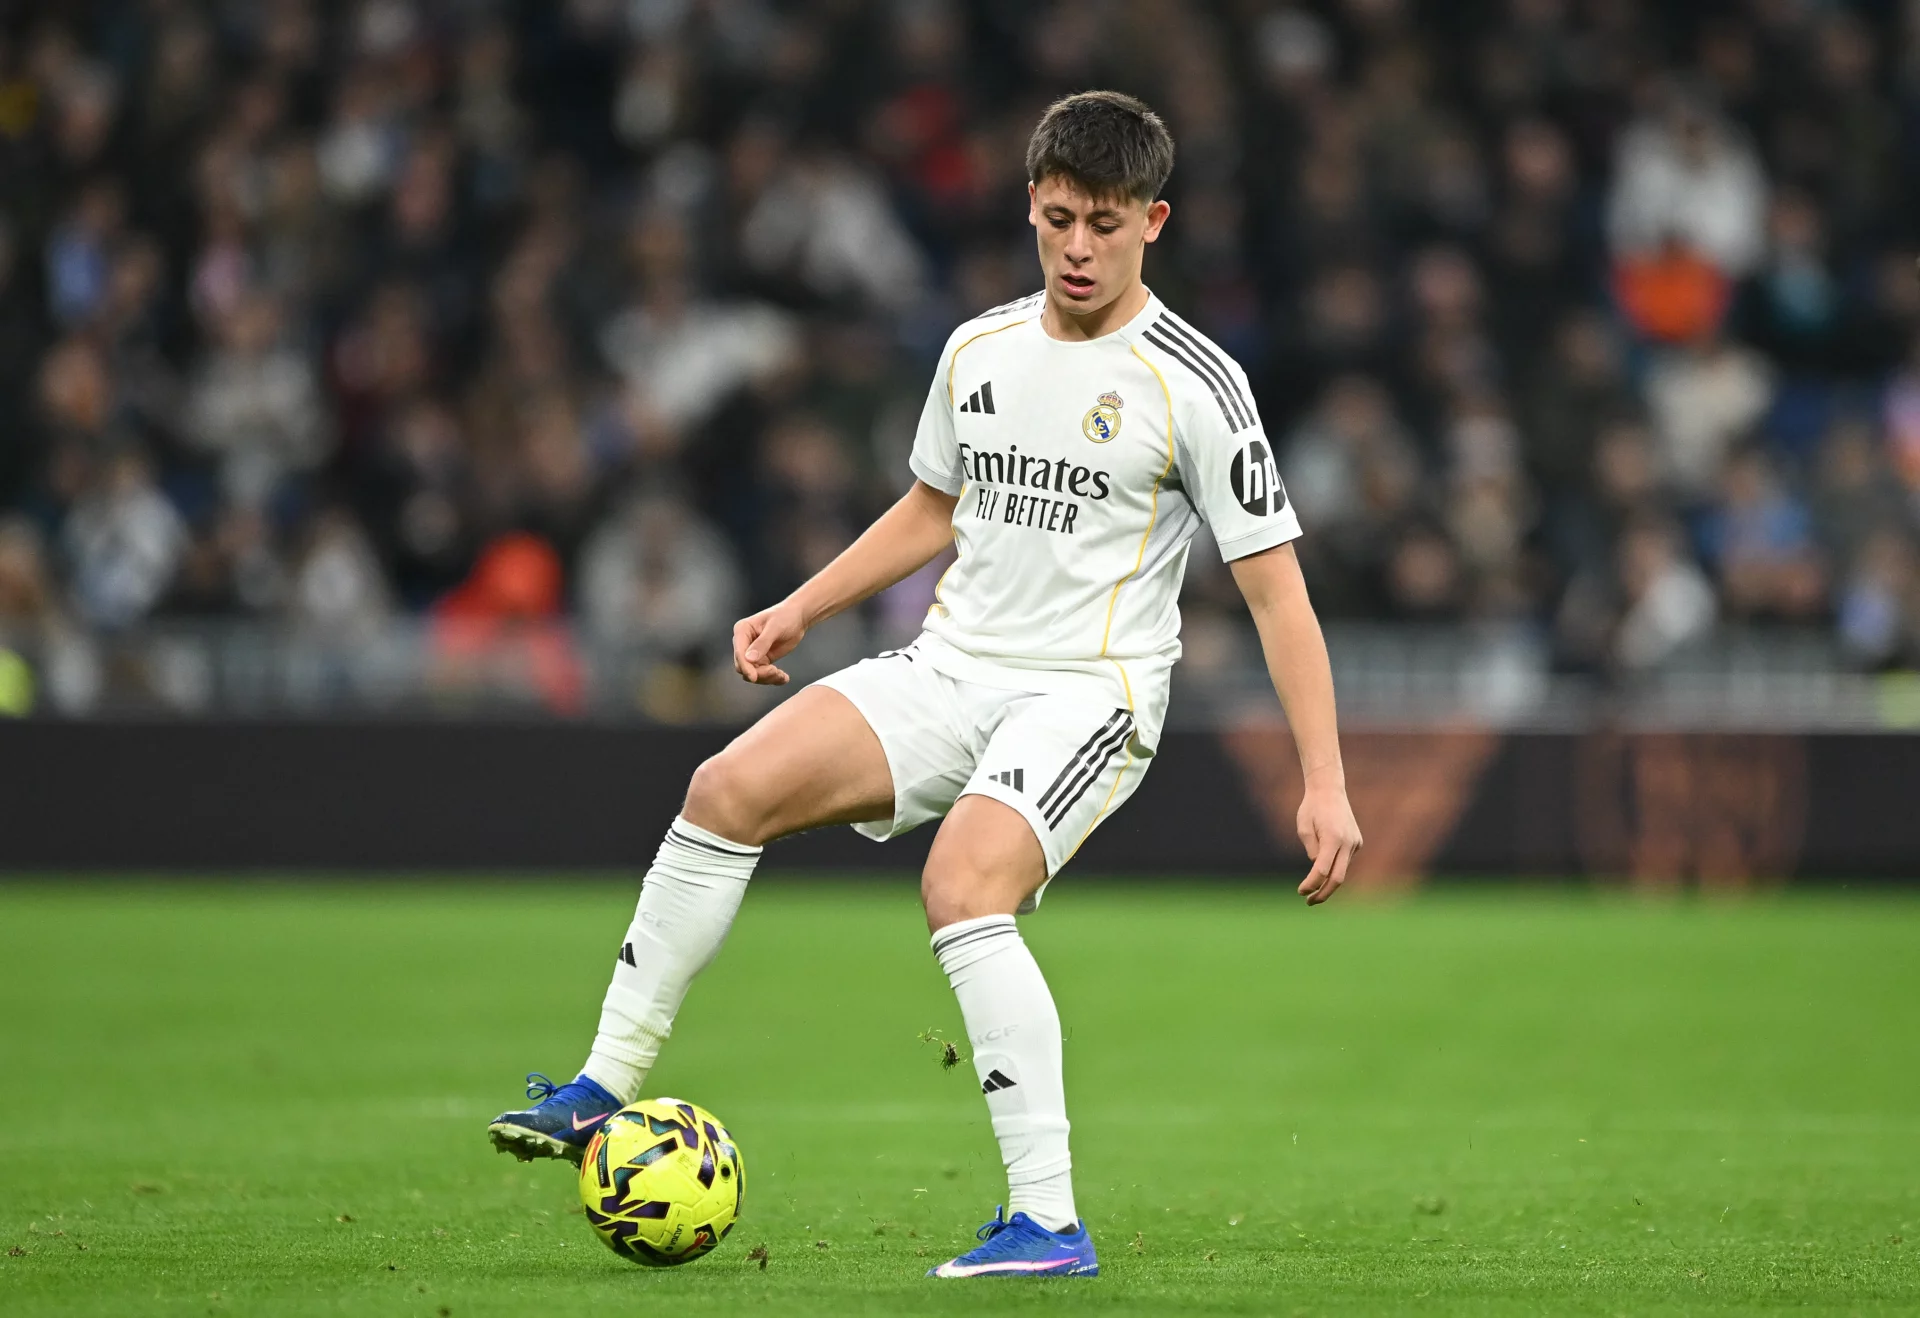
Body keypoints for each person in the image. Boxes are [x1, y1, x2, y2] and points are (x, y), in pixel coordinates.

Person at [486, 91, 1362, 1281]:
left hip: (1088, 692)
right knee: (724, 785)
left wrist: (1325, 781)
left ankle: (1048, 1222)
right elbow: (932, 510)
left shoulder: (1195, 384)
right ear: (1032, 209)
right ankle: (601, 1090)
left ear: (1154, 221)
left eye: (1106, 224)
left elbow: (1277, 595)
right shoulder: (978, 350)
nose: (1079, 248)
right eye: (1059, 219)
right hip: (951, 666)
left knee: (962, 886)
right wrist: (803, 605)